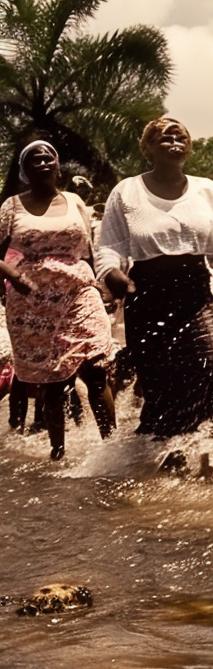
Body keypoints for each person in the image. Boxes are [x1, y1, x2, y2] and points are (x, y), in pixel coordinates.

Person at [96, 117, 213, 437]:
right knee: (160, 384)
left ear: (189, 147)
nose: (173, 139)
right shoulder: (126, 191)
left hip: (195, 292)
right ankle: (156, 449)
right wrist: (112, 275)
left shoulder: (206, 190)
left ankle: (173, 440)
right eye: (163, 136)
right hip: (146, 294)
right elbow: (108, 246)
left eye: (180, 134)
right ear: (148, 149)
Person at [0, 138, 115, 459]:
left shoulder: (76, 202)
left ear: (57, 164)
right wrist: (12, 275)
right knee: (53, 381)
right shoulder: (11, 207)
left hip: (79, 292)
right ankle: (58, 453)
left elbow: (89, 252)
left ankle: (115, 449)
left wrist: (102, 288)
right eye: (34, 159)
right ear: (24, 169)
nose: (42, 162)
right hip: (31, 300)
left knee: (96, 369)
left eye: (47, 157)